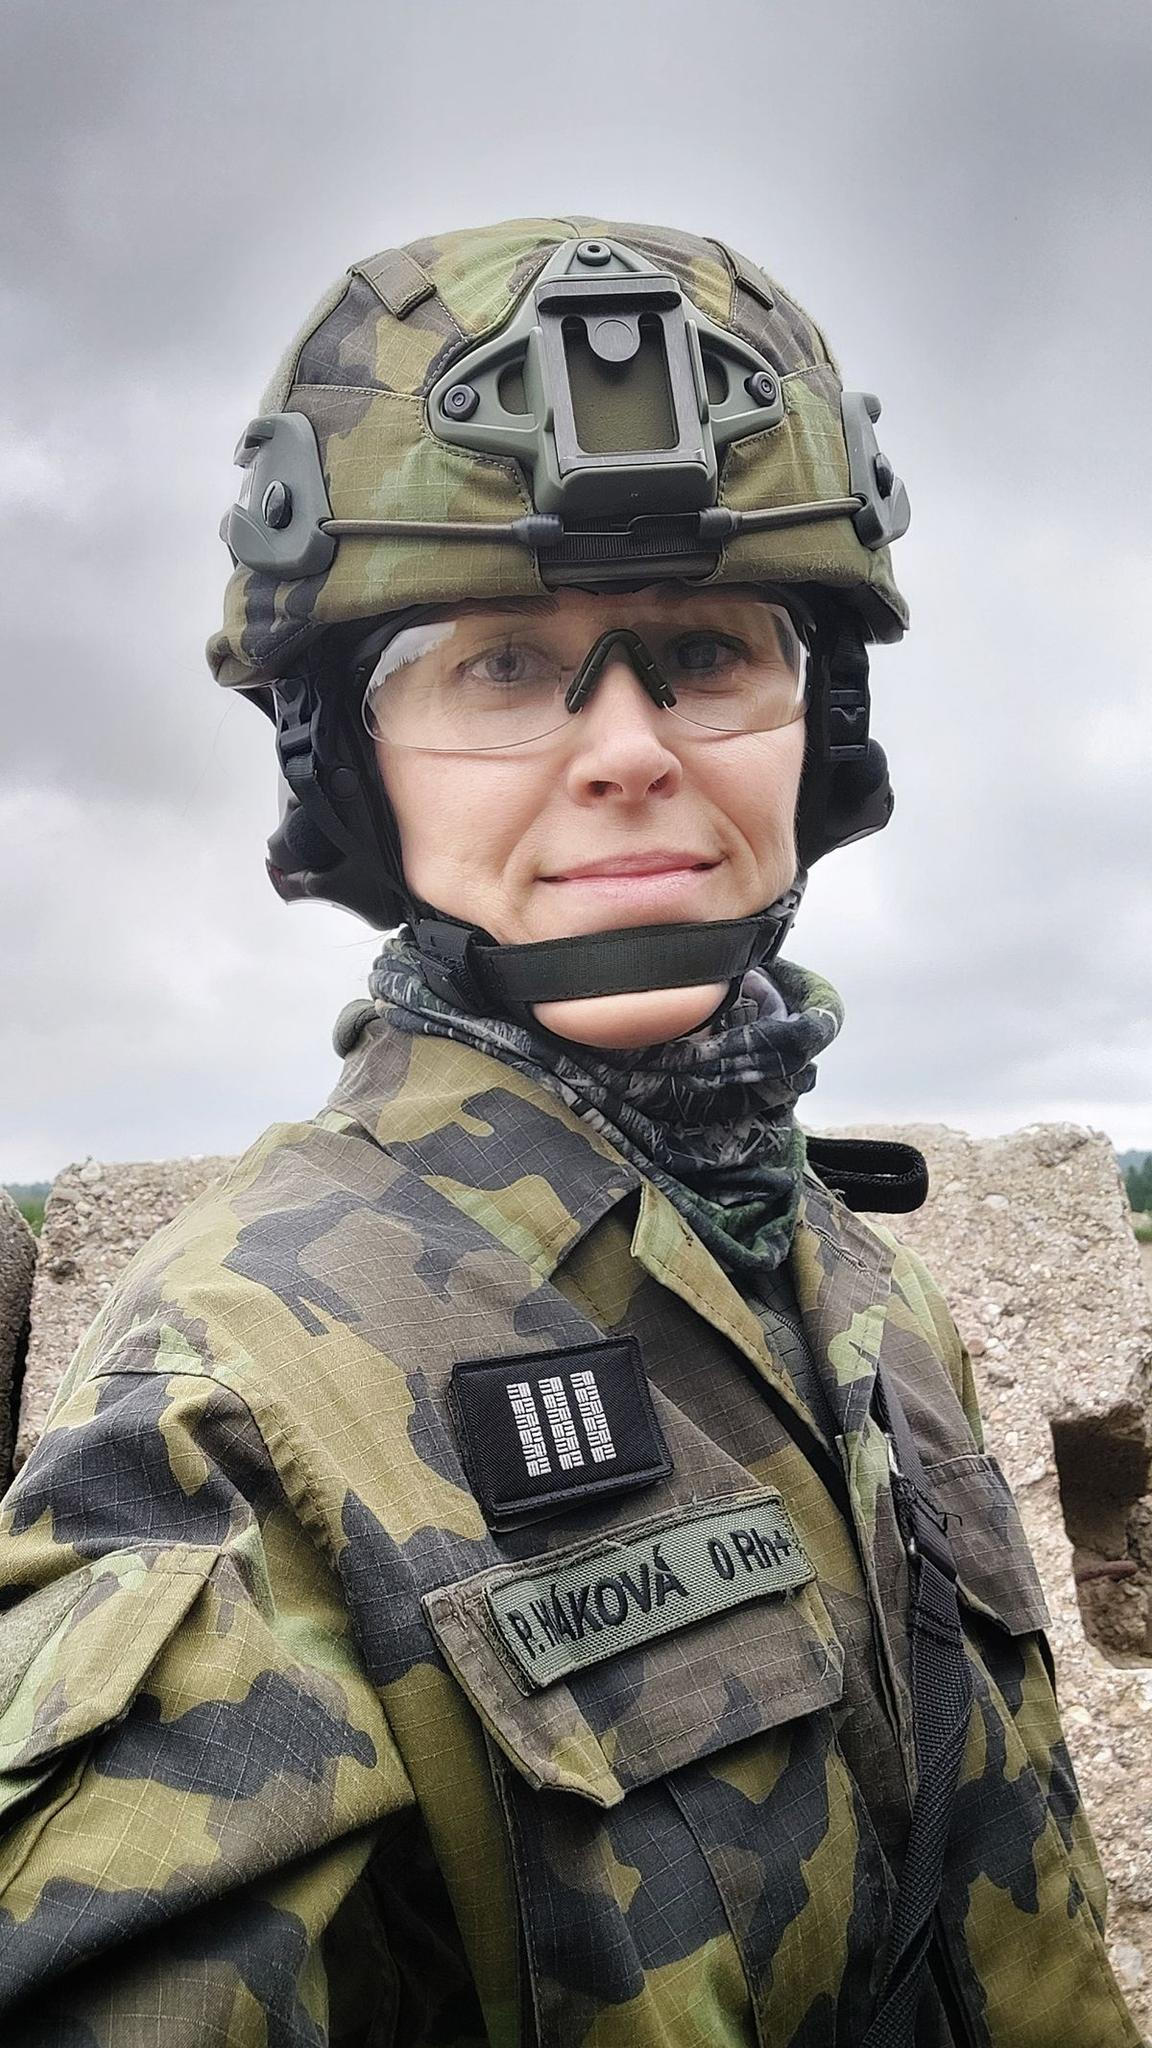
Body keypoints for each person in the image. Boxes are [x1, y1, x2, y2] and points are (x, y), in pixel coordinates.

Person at [0, 218, 1138, 2048]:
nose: (627, 748)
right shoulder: (233, 1421)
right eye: (501, 667)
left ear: (820, 723)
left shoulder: (859, 1287)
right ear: (349, 761)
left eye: (705, 650)